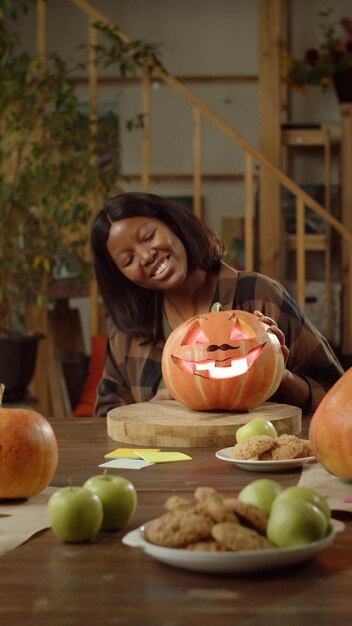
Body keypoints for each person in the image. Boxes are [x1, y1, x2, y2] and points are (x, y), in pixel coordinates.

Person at [90, 191, 344, 417]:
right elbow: (106, 416)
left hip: (251, 463)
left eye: (148, 236)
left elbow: (338, 396)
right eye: (128, 259)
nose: (146, 256)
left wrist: (280, 377)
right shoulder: (128, 331)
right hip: (159, 468)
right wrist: (153, 406)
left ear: (173, 225)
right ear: (120, 276)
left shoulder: (260, 295)